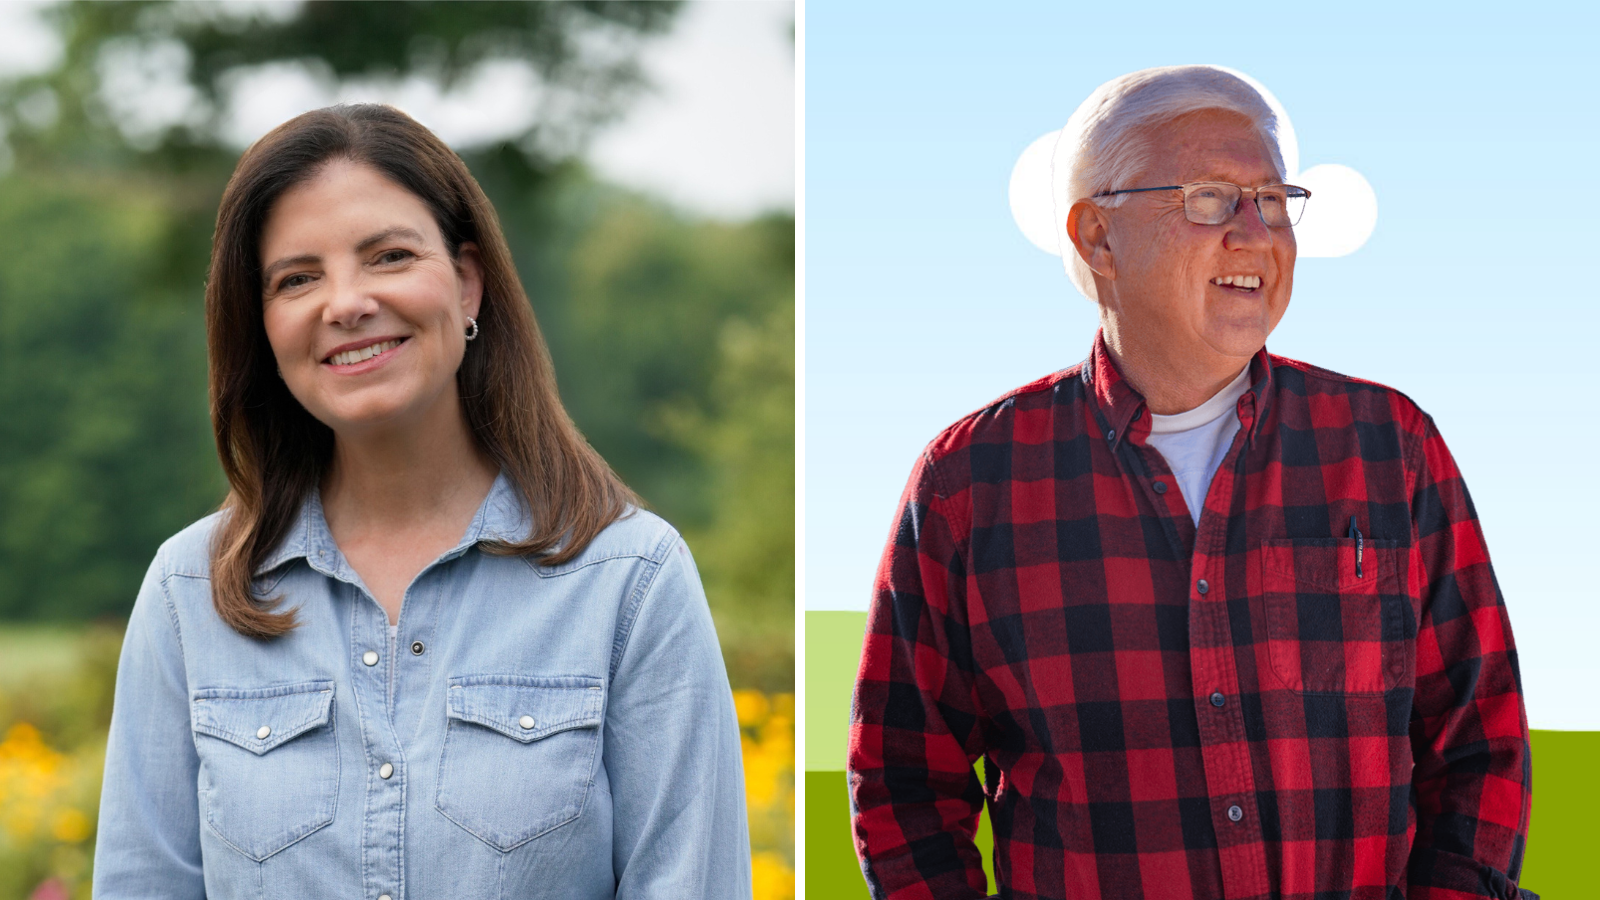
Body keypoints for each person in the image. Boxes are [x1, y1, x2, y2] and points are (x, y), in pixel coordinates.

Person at [849, 66, 1533, 900]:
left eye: (1274, 200)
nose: (1255, 233)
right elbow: (904, 785)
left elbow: (1480, 744)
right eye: (1209, 198)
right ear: (1098, 236)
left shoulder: (1393, 449)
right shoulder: (967, 487)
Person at [92, 104, 751, 899]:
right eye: (297, 278)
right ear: (262, 325)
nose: (344, 303)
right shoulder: (189, 592)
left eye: (389, 256)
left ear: (468, 283)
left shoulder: (630, 579)